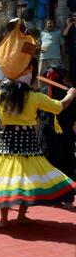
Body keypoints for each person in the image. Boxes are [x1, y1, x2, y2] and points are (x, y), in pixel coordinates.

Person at [0, 51, 76, 227]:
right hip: (28, 142)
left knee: (8, 179)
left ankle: (5, 220)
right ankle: (19, 216)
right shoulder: (35, 97)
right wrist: (71, 94)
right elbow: (58, 107)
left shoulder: (2, 95)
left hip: (9, 142)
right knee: (27, 179)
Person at [37, 64, 76, 210]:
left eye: (52, 74)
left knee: (65, 162)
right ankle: (49, 195)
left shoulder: (69, 93)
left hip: (64, 133)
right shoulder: (41, 92)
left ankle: (67, 197)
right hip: (46, 133)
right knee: (47, 163)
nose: (49, 76)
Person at [62, 11, 76, 83]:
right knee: (73, 69)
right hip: (72, 51)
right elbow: (64, 34)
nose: (75, 17)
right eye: (74, 16)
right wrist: (68, 25)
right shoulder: (70, 26)